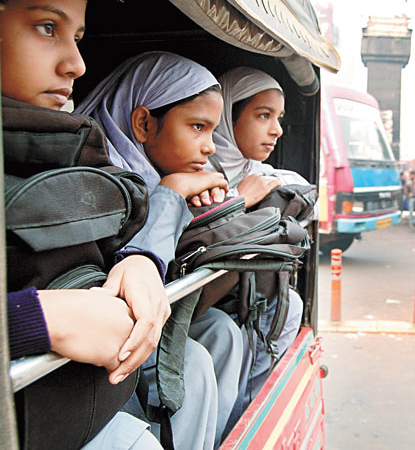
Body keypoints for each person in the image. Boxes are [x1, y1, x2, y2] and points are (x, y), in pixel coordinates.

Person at [0, 0, 166, 447]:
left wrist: (136, 260)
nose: (77, 64)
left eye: (77, 37)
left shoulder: (66, 152)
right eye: (47, 26)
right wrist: (32, 320)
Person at [75, 51, 244, 448]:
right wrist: (170, 194)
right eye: (197, 127)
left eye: (212, 131)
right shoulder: (98, 181)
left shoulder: (164, 177)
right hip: (98, 367)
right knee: (194, 365)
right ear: (143, 123)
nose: (209, 147)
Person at [207, 66, 306, 432]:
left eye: (278, 118)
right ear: (228, 119)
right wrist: (238, 199)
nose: (277, 130)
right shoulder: (199, 169)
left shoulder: (256, 170)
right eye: (263, 116)